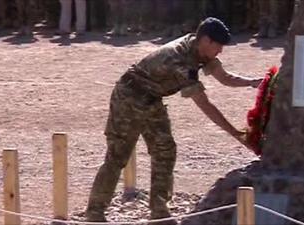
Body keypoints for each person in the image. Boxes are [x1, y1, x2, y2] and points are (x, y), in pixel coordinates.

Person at [85, 17, 262, 224]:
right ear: (206, 40)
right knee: (118, 155)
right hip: (129, 97)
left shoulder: (199, 49)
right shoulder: (180, 60)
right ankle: (95, 213)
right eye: (218, 46)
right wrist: (236, 134)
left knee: (165, 151)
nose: (220, 51)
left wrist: (253, 83)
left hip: (152, 99)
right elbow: (205, 105)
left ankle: (159, 211)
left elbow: (224, 77)